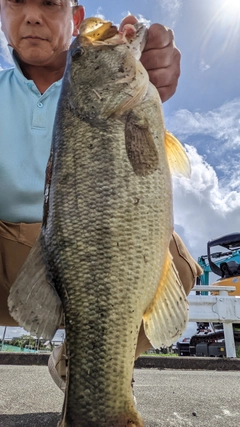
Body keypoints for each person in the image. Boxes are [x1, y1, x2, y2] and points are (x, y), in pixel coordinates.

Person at [0, 0, 202, 390]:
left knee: (175, 259)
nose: (32, 15)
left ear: (76, 19)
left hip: (101, 265)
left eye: (49, 3)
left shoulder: (122, 87)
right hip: (11, 265)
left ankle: (86, 366)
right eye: (16, 1)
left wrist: (148, 48)